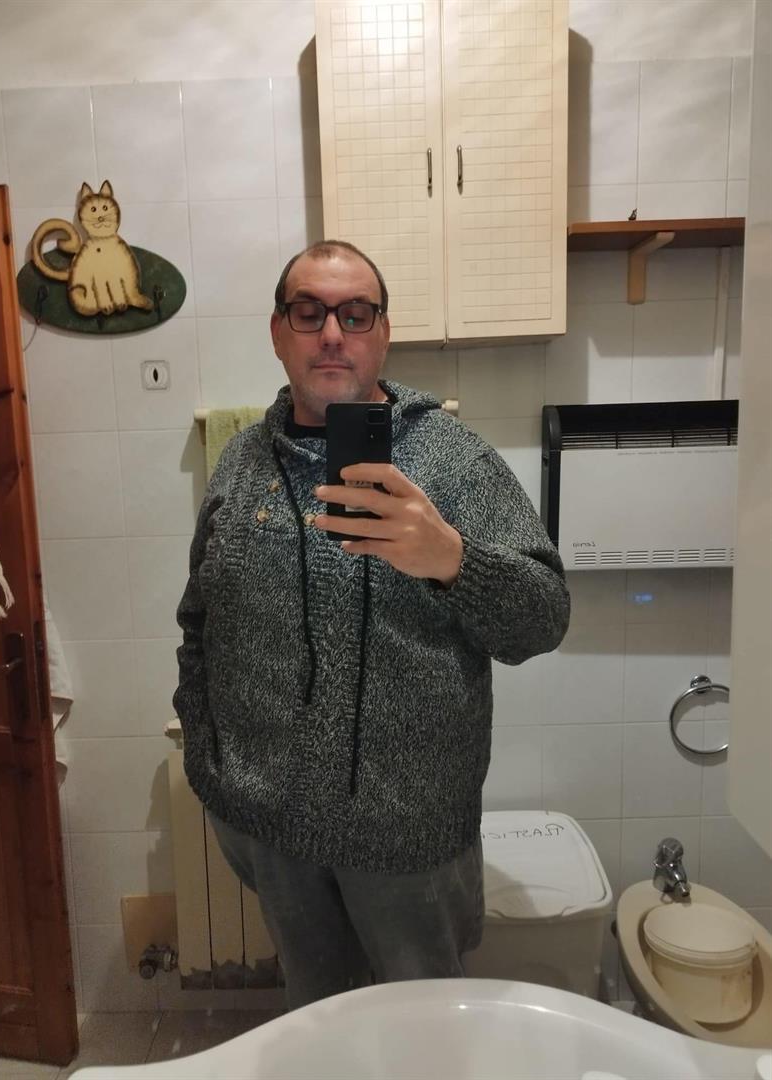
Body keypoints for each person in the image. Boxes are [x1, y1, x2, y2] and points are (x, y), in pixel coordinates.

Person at [173, 239, 570, 1009]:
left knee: (426, 1028)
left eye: (355, 315)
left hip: (408, 837)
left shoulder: (453, 462)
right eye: (309, 312)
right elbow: (200, 620)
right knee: (319, 1019)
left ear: (383, 334)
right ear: (278, 331)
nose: (332, 334)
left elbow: (543, 620)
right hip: (271, 826)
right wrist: (208, 753)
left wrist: (452, 559)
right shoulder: (241, 463)